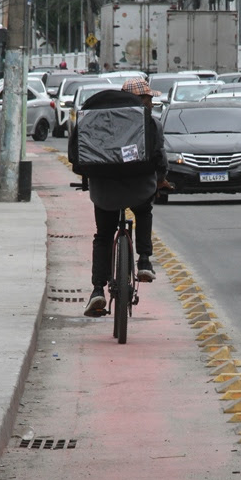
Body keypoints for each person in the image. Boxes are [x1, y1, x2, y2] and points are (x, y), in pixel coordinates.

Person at [77, 77, 169, 317]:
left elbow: (81, 152)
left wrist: (87, 178)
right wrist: (161, 180)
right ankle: (145, 261)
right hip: (139, 187)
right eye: (149, 98)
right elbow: (160, 155)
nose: (151, 102)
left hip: (104, 190)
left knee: (103, 236)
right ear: (141, 100)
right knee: (144, 211)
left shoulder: (100, 118)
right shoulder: (152, 122)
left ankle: (98, 290)